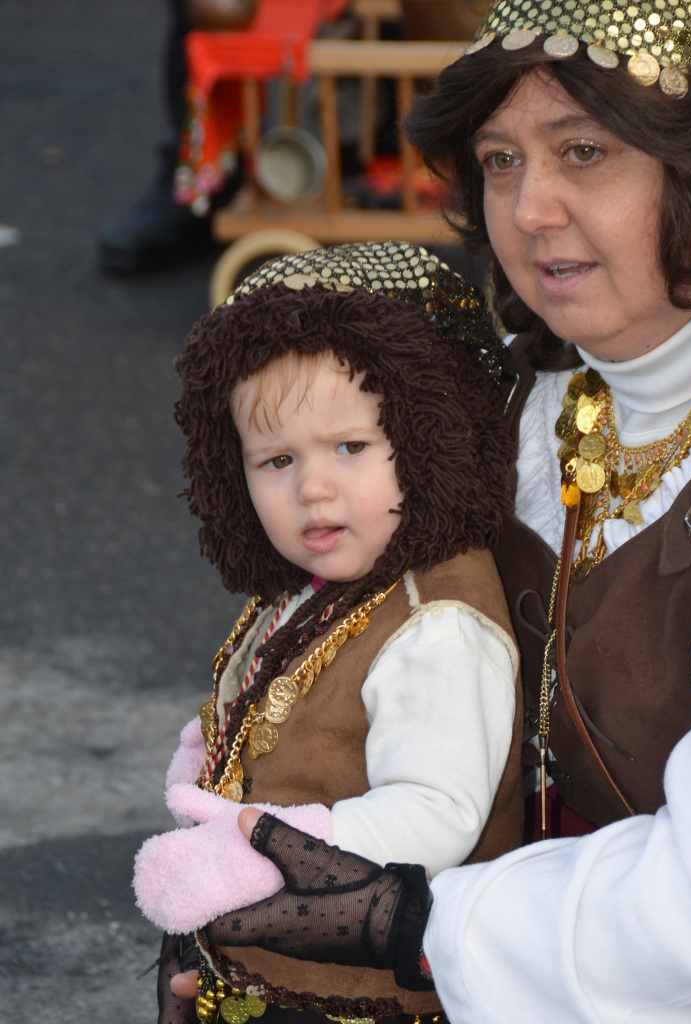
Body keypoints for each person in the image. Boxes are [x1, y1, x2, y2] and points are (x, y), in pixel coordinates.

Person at [167, 1, 691, 1020]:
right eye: (498, 161)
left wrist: (412, 928)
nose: (528, 208)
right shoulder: (495, 409)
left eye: (582, 151)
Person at [135, 241, 524, 1023]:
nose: (313, 488)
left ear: (425, 436)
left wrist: (248, 844)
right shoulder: (325, 584)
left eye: (351, 447)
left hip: (361, 1000)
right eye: (274, 460)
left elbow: (433, 815)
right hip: (272, 975)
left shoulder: (436, 628)